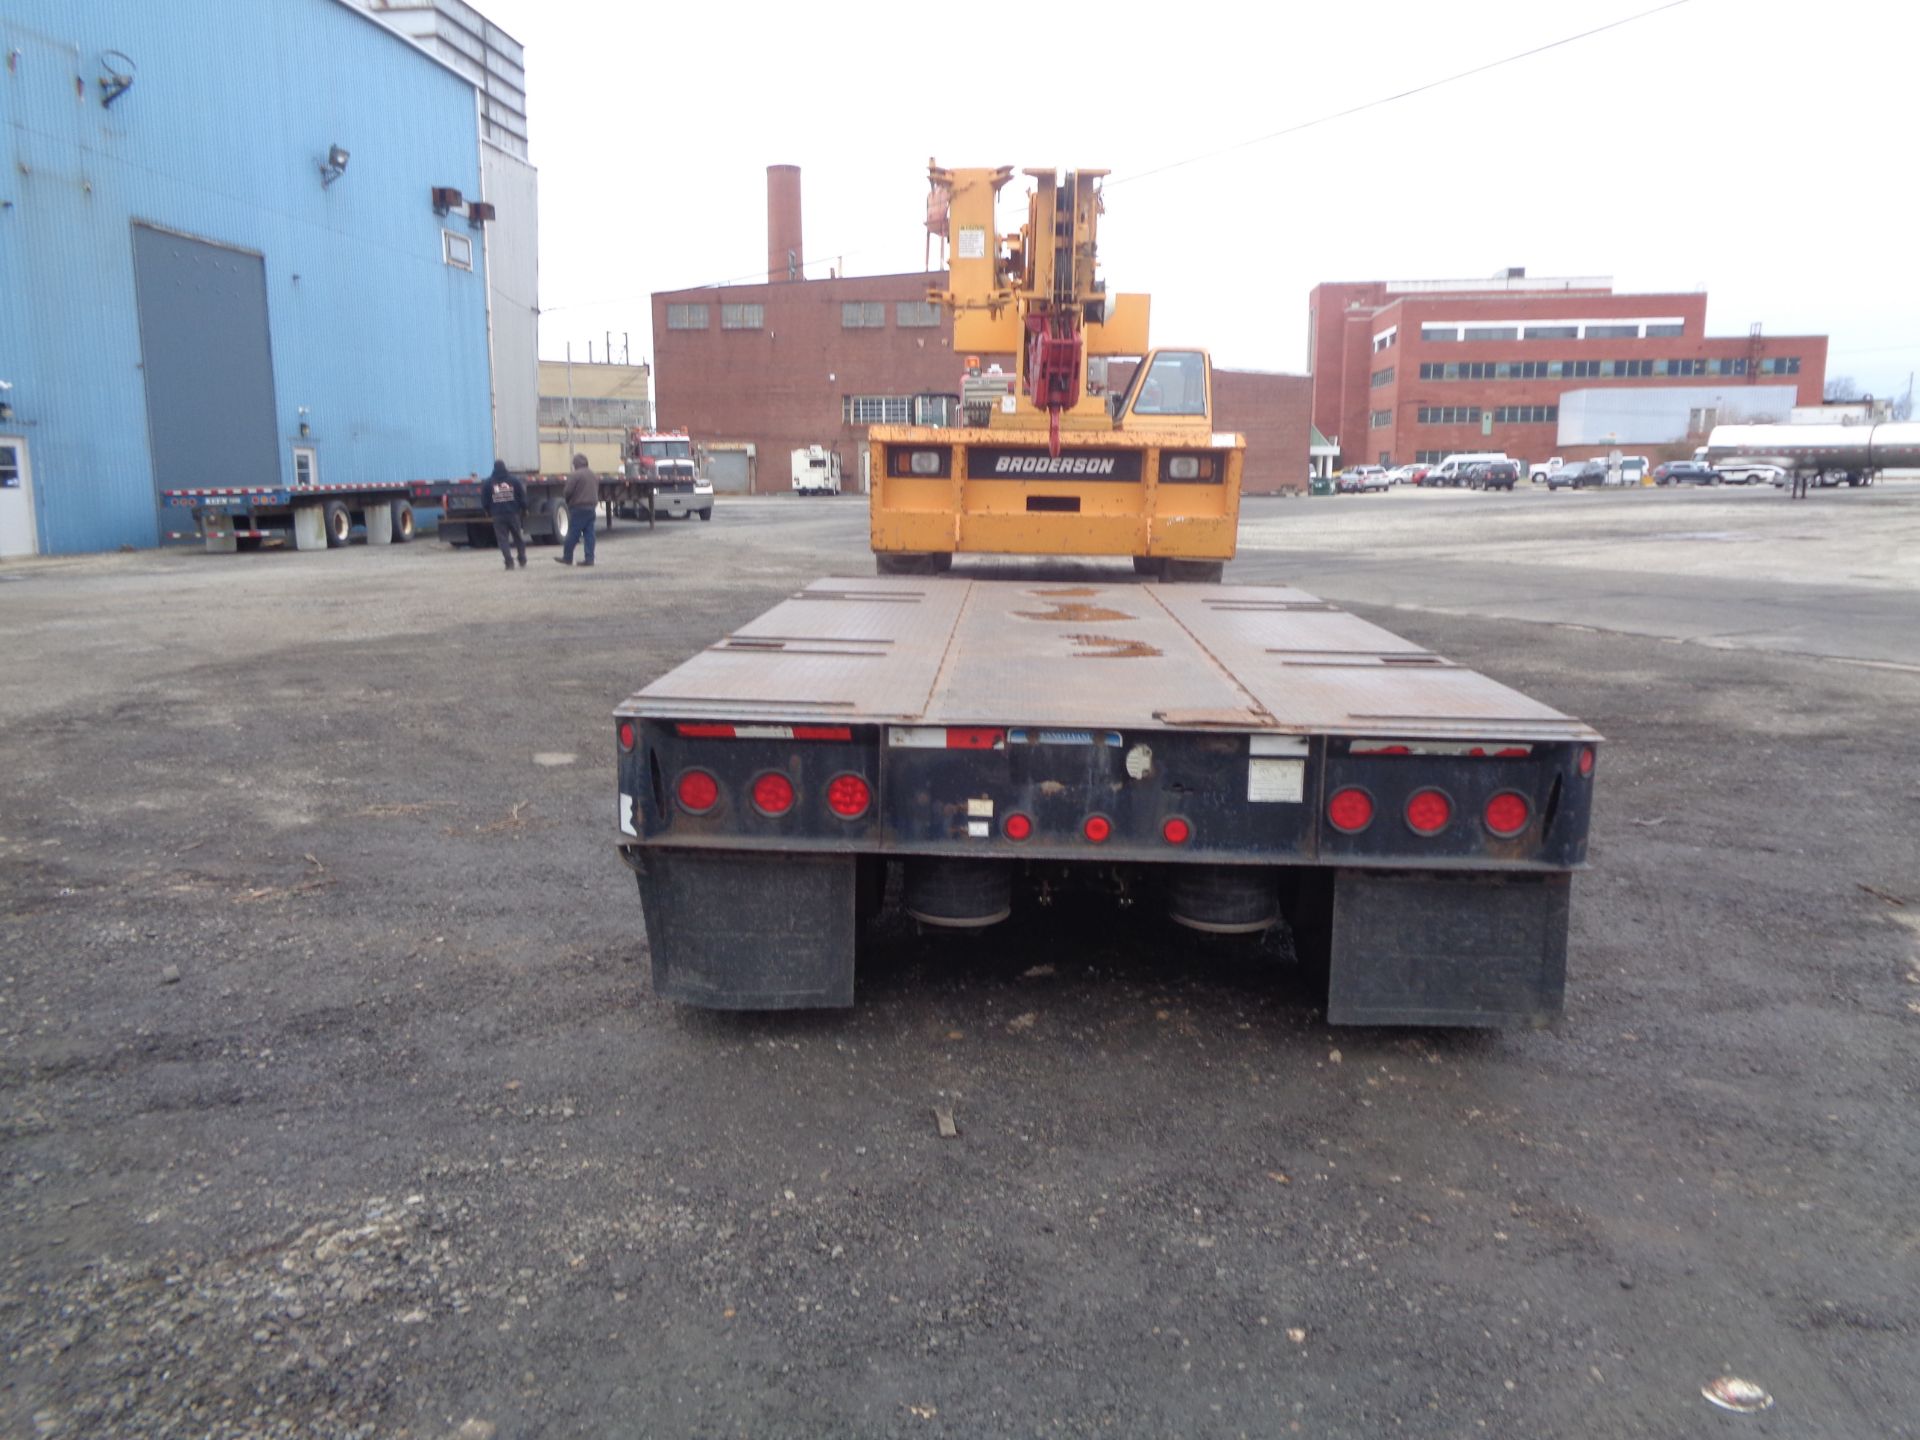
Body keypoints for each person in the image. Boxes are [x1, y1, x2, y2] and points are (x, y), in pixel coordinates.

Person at [481, 460, 527, 569]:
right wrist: (524, 509)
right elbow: (522, 496)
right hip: (513, 513)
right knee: (518, 537)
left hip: (497, 515)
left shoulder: (488, 483)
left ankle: (509, 562)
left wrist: (488, 511)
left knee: (503, 540)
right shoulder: (514, 481)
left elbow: (484, 500)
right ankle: (522, 558)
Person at [556, 453, 599, 566]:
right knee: (589, 533)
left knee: (573, 534)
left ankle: (567, 557)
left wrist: (568, 500)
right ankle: (590, 558)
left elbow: (568, 491)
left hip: (579, 507)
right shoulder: (593, 475)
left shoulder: (575, 475)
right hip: (591, 507)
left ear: (576, 464)